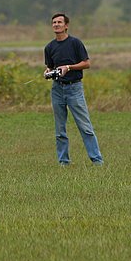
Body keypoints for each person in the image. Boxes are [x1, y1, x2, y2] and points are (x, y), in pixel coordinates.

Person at [43, 13, 103, 166]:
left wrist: (69, 67)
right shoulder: (49, 47)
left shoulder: (75, 43)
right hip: (57, 89)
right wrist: (48, 71)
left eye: (59, 22)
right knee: (60, 130)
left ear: (66, 25)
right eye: (54, 22)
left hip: (74, 88)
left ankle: (97, 161)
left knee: (85, 127)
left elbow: (87, 63)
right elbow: (50, 66)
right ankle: (63, 162)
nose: (56, 25)